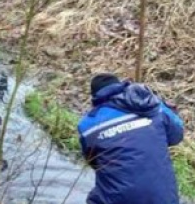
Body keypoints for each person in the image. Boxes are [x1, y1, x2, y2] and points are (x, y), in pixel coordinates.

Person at [77, 73, 184, 204]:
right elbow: (177, 135)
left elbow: (94, 162)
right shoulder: (152, 104)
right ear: (120, 86)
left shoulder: (88, 126)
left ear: (94, 97)